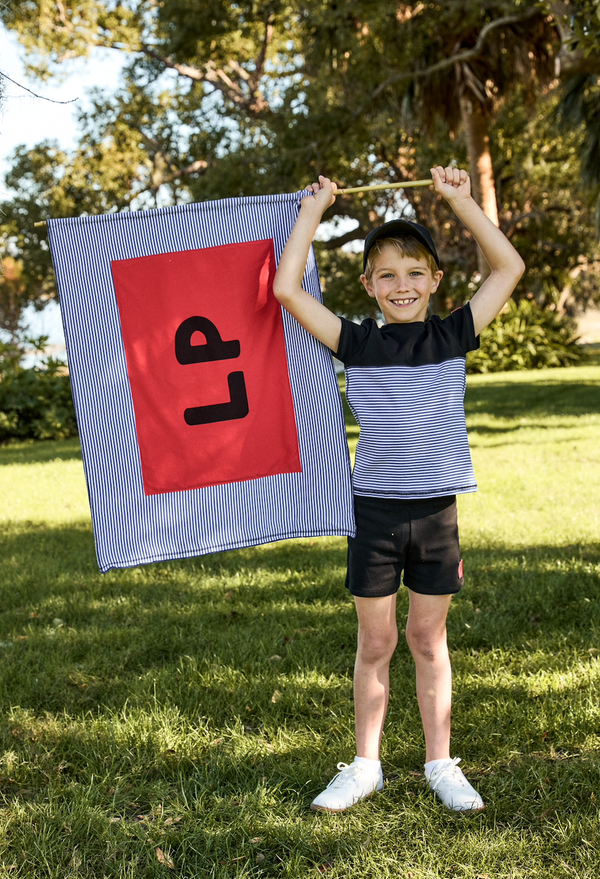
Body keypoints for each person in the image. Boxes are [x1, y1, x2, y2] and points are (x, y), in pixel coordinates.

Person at [273, 165, 525, 813]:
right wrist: (313, 213)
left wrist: (461, 201)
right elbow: (286, 289)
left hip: (437, 514)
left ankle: (441, 763)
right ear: (368, 285)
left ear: (435, 280)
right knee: (377, 643)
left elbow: (508, 267)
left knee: (427, 640)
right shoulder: (356, 342)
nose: (402, 285)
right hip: (374, 516)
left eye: (415, 272)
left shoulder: (453, 334)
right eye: (386, 275)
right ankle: (365, 766)